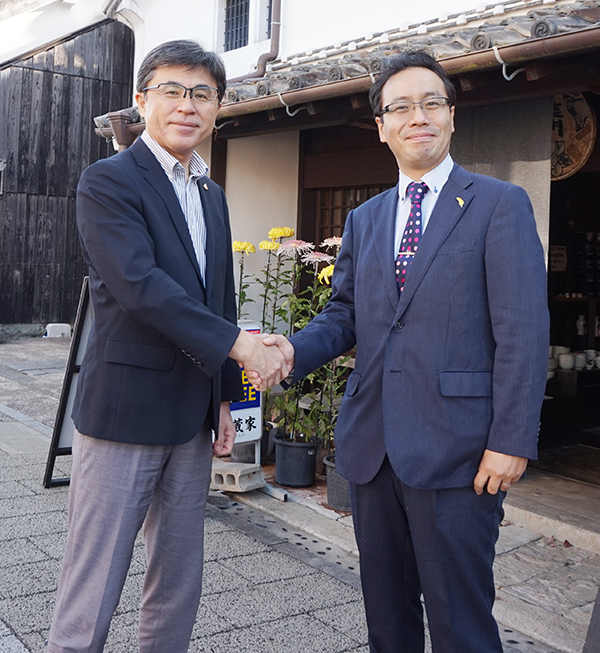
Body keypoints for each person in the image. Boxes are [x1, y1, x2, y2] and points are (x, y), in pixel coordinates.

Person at [266, 51, 549, 652]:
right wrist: (289, 352)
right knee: (387, 624)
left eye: (431, 103)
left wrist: (512, 441)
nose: (417, 116)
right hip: (372, 450)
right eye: (401, 107)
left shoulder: (500, 204)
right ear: (382, 125)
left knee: (460, 625)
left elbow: (523, 331)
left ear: (451, 117)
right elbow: (345, 314)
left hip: (460, 453)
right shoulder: (367, 218)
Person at [47, 39, 289, 653]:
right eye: (172, 91)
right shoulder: (108, 181)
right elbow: (139, 286)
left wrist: (229, 403)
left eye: (202, 94)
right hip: (125, 409)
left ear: (218, 109)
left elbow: (219, 301)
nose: (188, 105)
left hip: (191, 418)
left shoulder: (213, 193)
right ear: (140, 100)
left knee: (179, 575)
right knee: (94, 578)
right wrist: (239, 348)